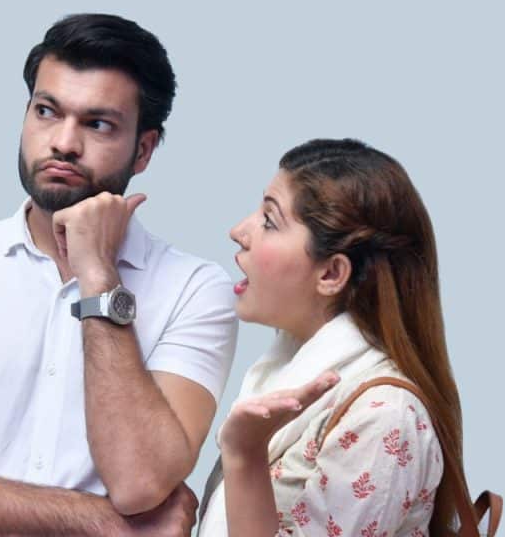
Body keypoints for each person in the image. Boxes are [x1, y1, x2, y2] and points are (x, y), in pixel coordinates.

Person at [0, 13, 238, 536]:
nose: (63, 142)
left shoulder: (196, 291)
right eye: (46, 111)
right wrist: (99, 522)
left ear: (145, 149)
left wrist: (99, 278)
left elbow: (140, 479)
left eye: (97, 124)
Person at [198, 138, 469, 537]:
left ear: (330, 275)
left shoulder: (383, 415)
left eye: (269, 221)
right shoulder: (285, 374)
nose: (239, 231)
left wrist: (245, 456)